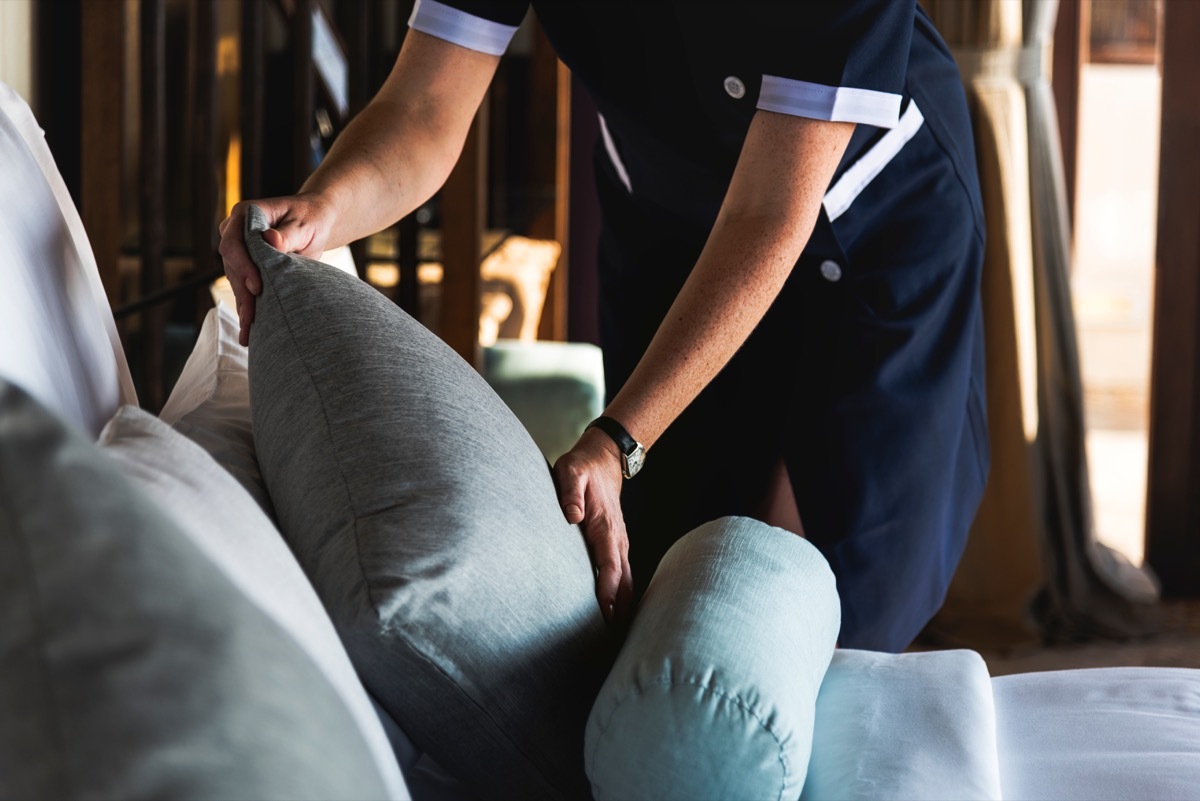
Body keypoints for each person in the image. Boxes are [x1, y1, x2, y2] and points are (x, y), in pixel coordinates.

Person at [218, 0, 988, 653]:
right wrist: (322, 213)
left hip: (864, 230)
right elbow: (423, 108)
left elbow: (766, 213)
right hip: (671, 224)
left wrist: (619, 439)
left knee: (819, 607)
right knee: (665, 589)